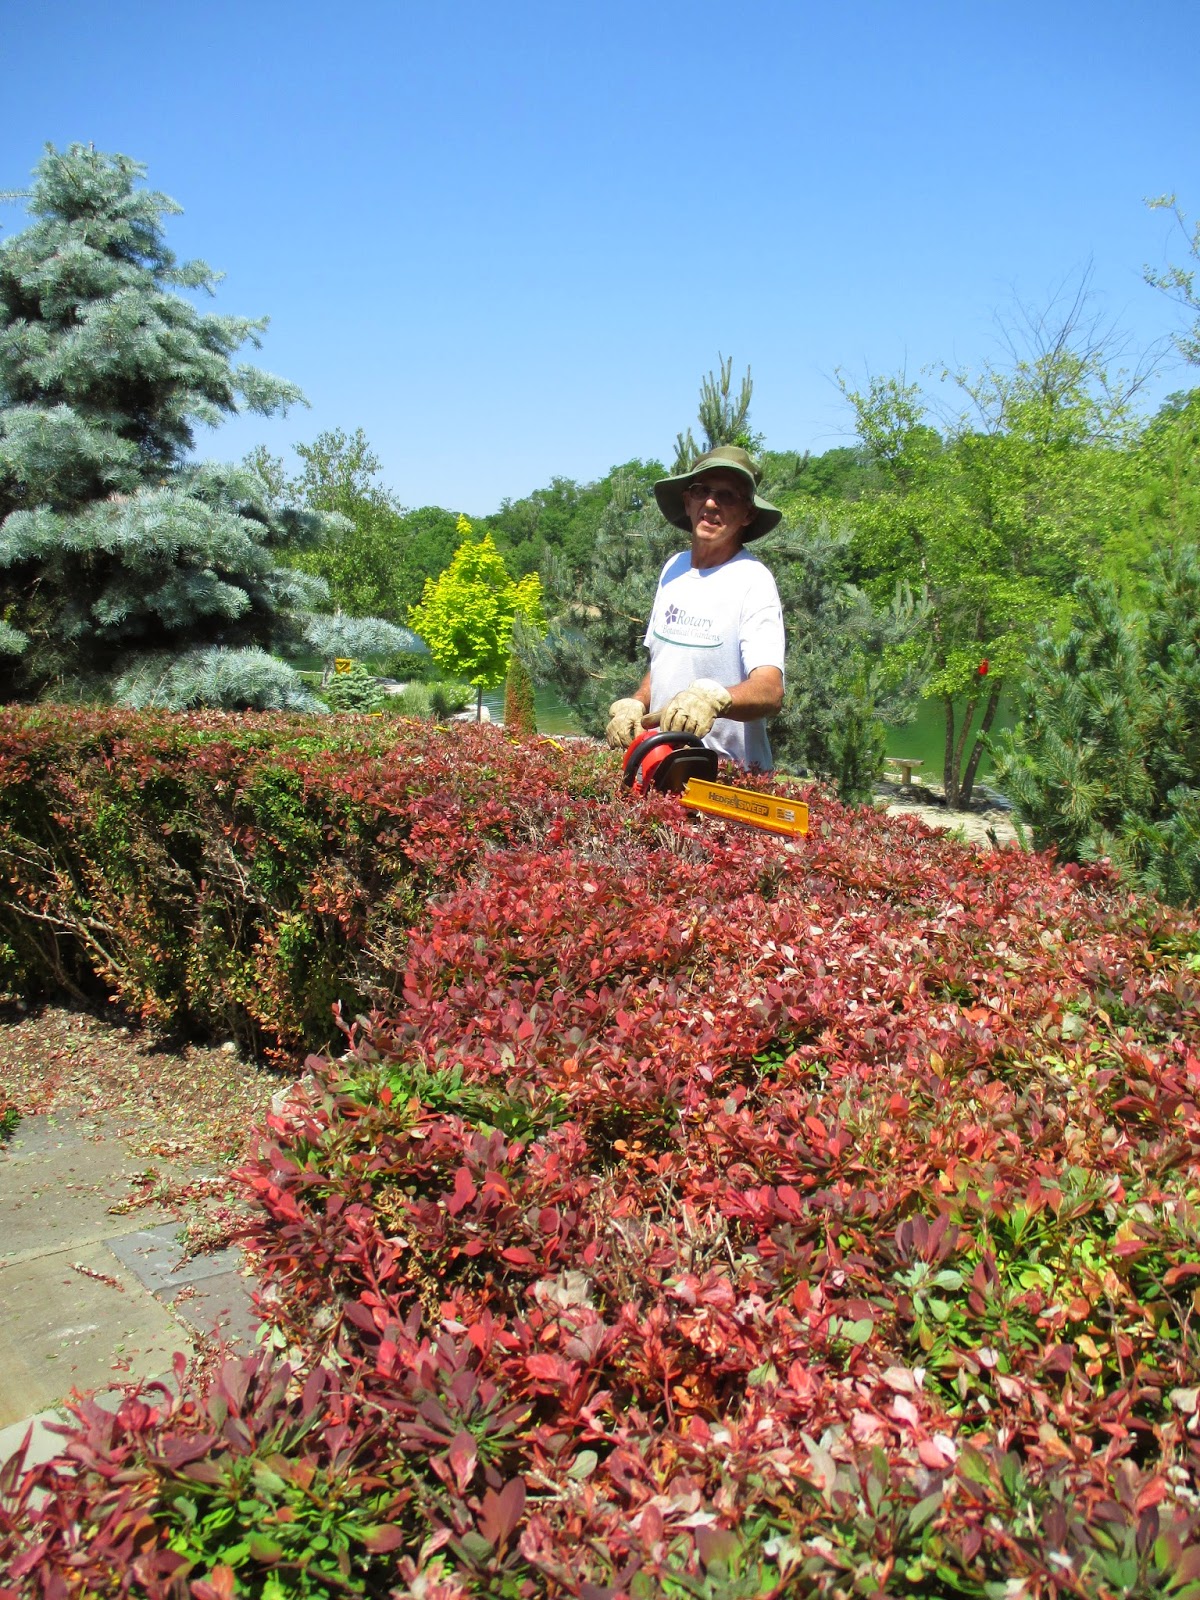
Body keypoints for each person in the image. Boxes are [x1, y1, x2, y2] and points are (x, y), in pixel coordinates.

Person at [605, 444, 785, 770]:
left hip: (729, 775)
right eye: (702, 491)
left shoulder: (753, 580)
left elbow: (771, 690)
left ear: (748, 514)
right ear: (688, 502)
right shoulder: (673, 569)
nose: (711, 503)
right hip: (664, 766)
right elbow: (664, 662)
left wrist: (715, 699)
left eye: (727, 496)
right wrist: (637, 702)